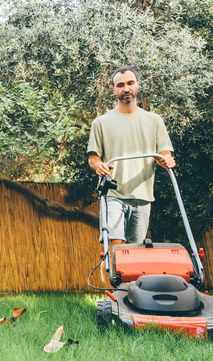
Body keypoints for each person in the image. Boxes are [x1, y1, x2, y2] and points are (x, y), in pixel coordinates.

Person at [87, 66, 176, 249]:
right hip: (113, 193)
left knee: (135, 252)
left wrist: (166, 160)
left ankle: (130, 280)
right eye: (120, 85)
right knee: (115, 246)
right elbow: (93, 158)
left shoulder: (154, 120)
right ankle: (110, 276)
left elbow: (165, 153)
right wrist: (99, 166)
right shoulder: (101, 123)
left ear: (137, 85)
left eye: (130, 83)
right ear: (113, 89)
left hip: (143, 195)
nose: (126, 88)